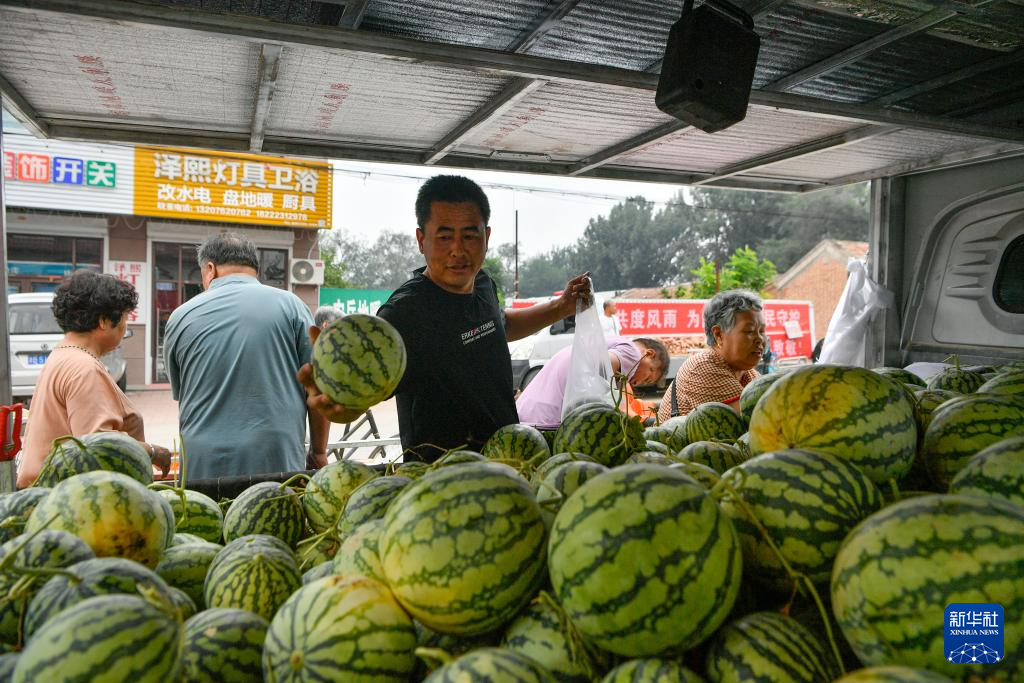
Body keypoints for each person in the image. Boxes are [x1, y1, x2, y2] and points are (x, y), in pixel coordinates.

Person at [298, 174, 590, 461]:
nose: (458, 250)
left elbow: (500, 325)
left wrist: (560, 307)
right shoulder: (405, 313)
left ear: (486, 236)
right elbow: (367, 386)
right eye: (445, 236)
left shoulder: (483, 283)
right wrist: (338, 403)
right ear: (421, 240)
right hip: (440, 475)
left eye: (470, 235)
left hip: (506, 462)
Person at [164, 233, 329, 480]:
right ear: (255, 269)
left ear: (210, 269)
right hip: (276, 457)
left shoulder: (180, 316)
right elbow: (318, 388)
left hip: (203, 464)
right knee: (275, 506)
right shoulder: (292, 306)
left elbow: (183, 391)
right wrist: (318, 452)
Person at [17, 271, 171, 487]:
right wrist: (153, 452)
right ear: (104, 321)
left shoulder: (64, 355)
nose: (125, 326)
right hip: (63, 495)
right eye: (125, 318)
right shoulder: (84, 368)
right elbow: (99, 448)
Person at [516, 336, 669, 429]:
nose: (639, 383)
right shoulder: (632, 352)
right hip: (546, 424)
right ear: (649, 354)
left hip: (524, 417)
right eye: (647, 377)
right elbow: (598, 365)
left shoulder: (610, 343)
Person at [657, 289, 765, 421]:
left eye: (762, 331)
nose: (760, 339)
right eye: (749, 331)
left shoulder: (749, 374)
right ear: (719, 335)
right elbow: (762, 418)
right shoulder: (703, 368)